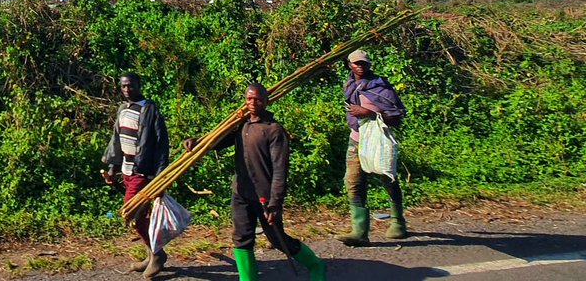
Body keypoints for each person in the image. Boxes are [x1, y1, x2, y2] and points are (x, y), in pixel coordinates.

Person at [188, 83, 326, 281]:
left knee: (277, 239)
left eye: (258, 99)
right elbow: (218, 142)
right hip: (241, 191)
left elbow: (280, 171)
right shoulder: (241, 125)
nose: (253, 103)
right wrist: (198, 142)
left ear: (267, 101)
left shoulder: (274, 130)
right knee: (241, 239)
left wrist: (275, 203)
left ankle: (316, 265)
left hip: (265, 197)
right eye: (249, 99)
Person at [102, 72, 172, 278]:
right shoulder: (123, 109)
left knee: (130, 213)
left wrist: (159, 175)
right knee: (139, 215)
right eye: (123, 86)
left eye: (130, 86)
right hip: (127, 170)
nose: (126, 90)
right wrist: (112, 168)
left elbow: (161, 144)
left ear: (139, 85)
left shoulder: (149, 109)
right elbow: (117, 139)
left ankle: (158, 254)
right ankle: (151, 254)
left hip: (142, 172)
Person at [336, 49, 408, 246]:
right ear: (349, 65)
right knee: (353, 182)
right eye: (356, 63)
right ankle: (359, 231)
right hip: (357, 140)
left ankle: (398, 222)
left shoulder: (382, 87)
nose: (360, 66)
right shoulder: (350, 85)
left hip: (379, 140)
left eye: (363, 63)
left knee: (387, 179)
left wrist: (367, 112)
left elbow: (396, 118)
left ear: (369, 64)